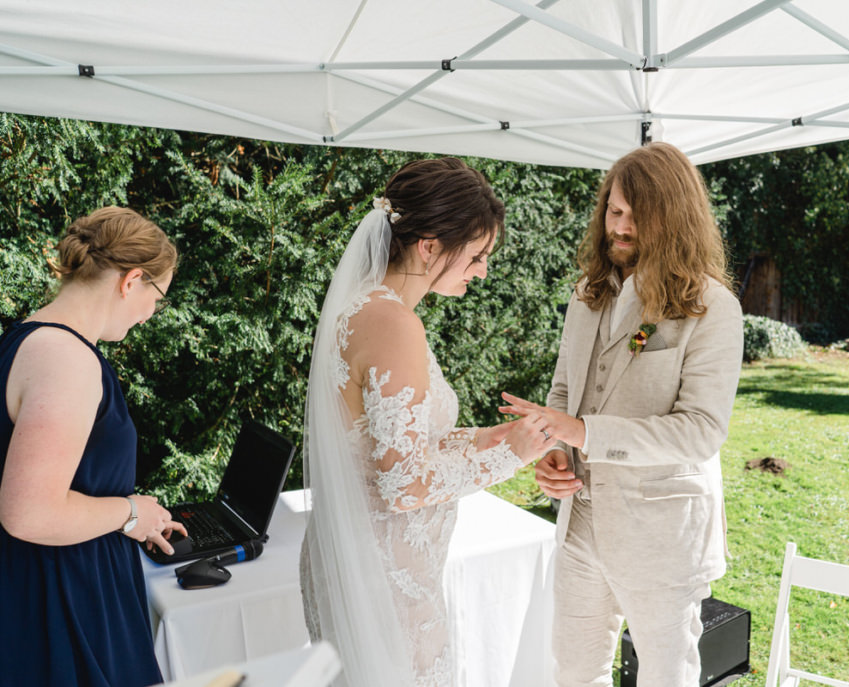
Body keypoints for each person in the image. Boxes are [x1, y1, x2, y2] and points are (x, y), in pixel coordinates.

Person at [299, 157, 555, 687]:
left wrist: (486, 438)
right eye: (478, 254)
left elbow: (388, 444)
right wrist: (511, 456)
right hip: (385, 579)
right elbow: (401, 483)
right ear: (430, 245)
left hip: (361, 559)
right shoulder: (393, 322)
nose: (484, 270)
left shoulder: (364, 306)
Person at [501, 142, 744, 686]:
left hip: (663, 537)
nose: (621, 225)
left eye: (638, 215)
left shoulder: (713, 308)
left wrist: (584, 432)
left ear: (674, 217)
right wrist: (557, 453)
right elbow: (565, 391)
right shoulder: (587, 296)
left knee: (665, 678)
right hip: (581, 526)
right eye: (614, 211)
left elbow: (702, 431)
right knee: (572, 673)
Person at [0, 206, 187, 686]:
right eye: (158, 296)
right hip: (61, 599)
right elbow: (29, 514)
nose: (150, 313)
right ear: (132, 281)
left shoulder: (26, 338)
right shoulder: (67, 359)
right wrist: (130, 513)